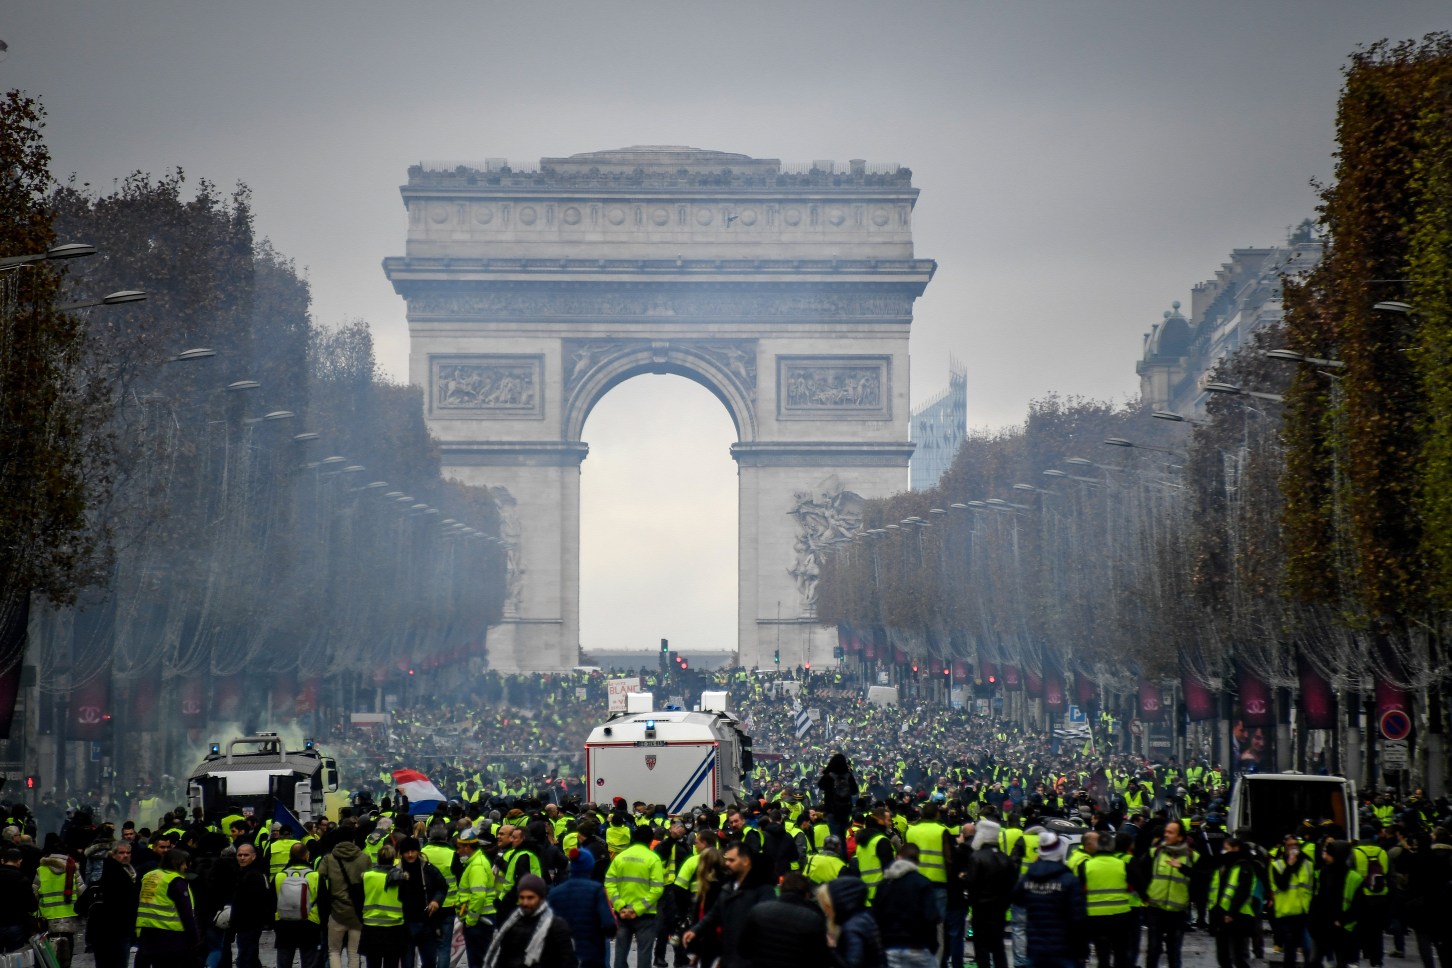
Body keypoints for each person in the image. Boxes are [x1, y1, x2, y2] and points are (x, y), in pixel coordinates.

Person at [684, 844, 775, 968]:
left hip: (749, 959)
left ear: (746, 861)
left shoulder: (761, 889)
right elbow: (714, 913)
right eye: (726, 859)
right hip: (729, 955)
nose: (727, 863)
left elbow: (766, 923)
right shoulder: (728, 887)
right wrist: (695, 930)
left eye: (732, 860)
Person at [1011, 829, 1087, 968]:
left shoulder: (1029, 877)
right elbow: (1078, 919)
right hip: (1064, 949)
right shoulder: (1068, 879)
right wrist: (1082, 951)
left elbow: (1017, 899)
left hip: (1036, 949)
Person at [479, 873, 575, 968]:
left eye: (530, 898)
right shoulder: (512, 923)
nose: (525, 902)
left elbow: (567, 961)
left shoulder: (556, 926)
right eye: (522, 897)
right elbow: (503, 957)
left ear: (541, 898)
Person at [738, 871, 831, 967]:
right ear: (806, 894)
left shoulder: (758, 911)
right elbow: (820, 959)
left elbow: (744, 950)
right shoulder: (813, 919)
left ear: (781, 889)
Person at [604, 824, 666, 968]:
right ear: (651, 840)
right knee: (644, 954)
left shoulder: (620, 857)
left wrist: (620, 906)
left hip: (623, 914)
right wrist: (637, 909)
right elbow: (657, 890)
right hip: (645, 914)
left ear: (633, 838)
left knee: (620, 953)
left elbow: (609, 883)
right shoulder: (653, 858)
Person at [874, 842, 942, 968]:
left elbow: (876, 918)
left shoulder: (884, 884)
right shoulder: (923, 883)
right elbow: (930, 918)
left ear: (898, 857)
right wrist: (932, 947)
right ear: (917, 861)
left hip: (889, 948)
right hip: (917, 948)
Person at [544, 847, 614, 968]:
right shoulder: (596, 891)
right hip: (591, 954)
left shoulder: (555, 893)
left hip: (563, 954)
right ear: (590, 866)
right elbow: (608, 924)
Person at [962, 818, 1017, 968]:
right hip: (999, 911)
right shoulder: (1005, 859)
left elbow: (971, 884)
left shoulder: (977, 857)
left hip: (981, 910)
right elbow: (1012, 885)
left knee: (981, 948)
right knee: (998, 947)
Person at [1143, 820, 1198, 968]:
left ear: (1180, 837)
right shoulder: (1156, 852)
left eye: (1170, 832)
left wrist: (1183, 868)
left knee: (1174, 953)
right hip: (1155, 908)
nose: (1165, 835)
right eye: (1165, 832)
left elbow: (1201, 879)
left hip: (1178, 912)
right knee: (1153, 950)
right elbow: (1140, 872)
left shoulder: (1192, 857)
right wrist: (1144, 895)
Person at [134, 848, 200, 968]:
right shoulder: (175, 880)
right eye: (184, 863)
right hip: (171, 937)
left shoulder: (149, 876)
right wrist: (194, 938)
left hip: (146, 933)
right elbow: (186, 912)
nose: (185, 867)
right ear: (177, 862)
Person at [319, 821, 370, 968]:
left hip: (336, 911)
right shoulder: (364, 858)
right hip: (356, 911)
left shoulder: (329, 859)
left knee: (334, 951)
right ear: (353, 839)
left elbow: (320, 878)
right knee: (354, 953)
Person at [87, 838, 140, 968]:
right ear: (113, 854)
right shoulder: (113, 873)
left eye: (128, 853)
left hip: (117, 931)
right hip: (114, 931)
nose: (125, 856)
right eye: (121, 853)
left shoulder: (130, 872)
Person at [1309, 840, 1364, 968]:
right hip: (1322, 925)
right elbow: (1318, 898)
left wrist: (1342, 920)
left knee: (1341, 961)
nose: (1325, 856)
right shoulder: (1324, 873)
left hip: (1342, 928)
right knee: (1314, 961)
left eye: (1328, 853)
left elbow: (1358, 906)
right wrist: (1313, 920)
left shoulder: (1353, 878)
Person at [397, 835, 449, 968]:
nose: (410, 855)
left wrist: (436, 901)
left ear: (418, 851)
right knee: (407, 963)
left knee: (430, 961)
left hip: (427, 922)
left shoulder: (428, 868)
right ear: (401, 853)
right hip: (405, 924)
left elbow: (442, 886)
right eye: (406, 852)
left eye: (413, 851)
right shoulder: (396, 872)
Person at [1207, 837, 1259, 968]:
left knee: (1238, 957)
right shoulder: (1223, 866)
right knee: (1223, 957)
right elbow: (1205, 877)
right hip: (1222, 916)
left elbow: (1242, 892)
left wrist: (1231, 913)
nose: (1224, 852)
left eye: (1227, 849)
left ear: (1236, 849)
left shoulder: (1244, 866)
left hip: (1238, 917)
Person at [274, 841, 324, 968]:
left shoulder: (279, 876)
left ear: (290, 857)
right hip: (310, 922)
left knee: (284, 961)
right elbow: (324, 901)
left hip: (284, 923)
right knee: (309, 961)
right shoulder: (315, 876)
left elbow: (271, 901)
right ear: (307, 855)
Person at [821, 875, 885, 968]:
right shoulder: (863, 918)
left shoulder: (851, 928)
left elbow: (852, 964)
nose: (826, 911)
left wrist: (832, 948)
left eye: (827, 906)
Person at [1270, 834, 1313, 968]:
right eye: (1289, 845)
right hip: (1285, 913)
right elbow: (1281, 884)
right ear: (1284, 848)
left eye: (1295, 845)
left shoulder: (1307, 863)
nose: (1293, 848)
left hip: (1304, 912)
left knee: (1308, 948)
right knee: (1290, 949)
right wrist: (1290, 865)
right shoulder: (1277, 865)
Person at [230, 840, 275, 968]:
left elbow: (255, 900)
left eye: (246, 855)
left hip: (250, 922)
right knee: (250, 955)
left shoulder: (255, 875)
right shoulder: (242, 873)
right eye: (240, 855)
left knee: (245, 956)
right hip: (244, 923)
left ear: (253, 856)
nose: (242, 858)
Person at [0, 847, 37, 953]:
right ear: (19, 861)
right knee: (15, 956)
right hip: (15, 923)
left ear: (3, 860)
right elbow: (32, 905)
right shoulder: (22, 879)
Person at [819, 752, 860, 838]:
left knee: (834, 836)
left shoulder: (829, 776)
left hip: (832, 810)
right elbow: (855, 791)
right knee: (843, 837)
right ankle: (843, 851)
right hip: (845, 811)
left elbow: (820, 785)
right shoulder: (848, 776)